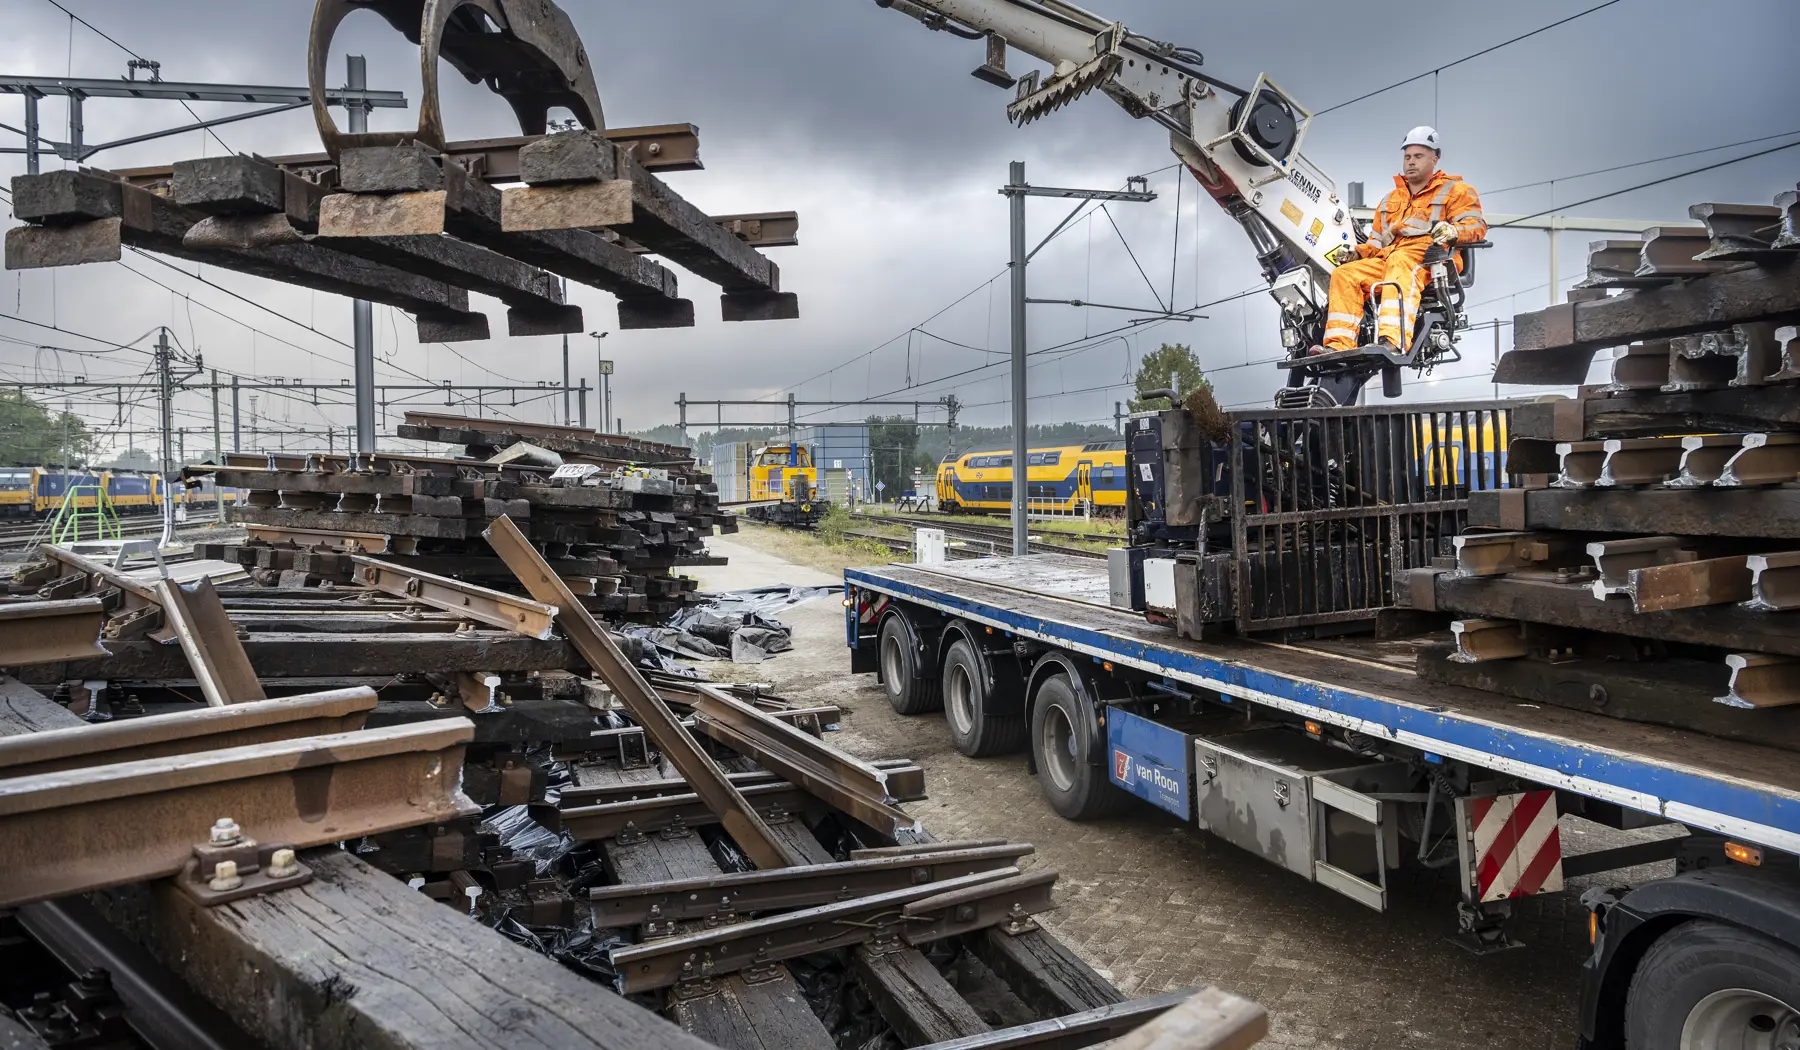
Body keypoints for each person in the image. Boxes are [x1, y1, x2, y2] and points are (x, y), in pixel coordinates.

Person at [1314, 126, 1487, 355]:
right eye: (1407, 157)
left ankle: (1392, 342)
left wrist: (1453, 231)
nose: (1411, 162)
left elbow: (1477, 225)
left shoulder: (1457, 191)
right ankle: (1337, 345)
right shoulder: (1390, 200)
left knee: (1399, 262)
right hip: (1391, 258)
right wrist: (1356, 254)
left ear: (1434, 158)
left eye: (1418, 156)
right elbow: (1376, 243)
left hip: (1433, 261)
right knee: (1345, 274)